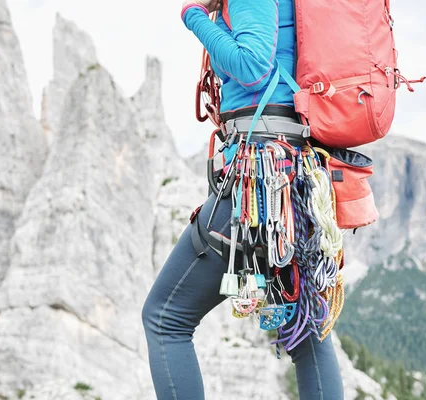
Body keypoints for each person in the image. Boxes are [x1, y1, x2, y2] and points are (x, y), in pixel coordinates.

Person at [141, 0, 345, 399]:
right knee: (307, 331)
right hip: (294, 181)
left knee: (165, 318)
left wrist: (193, 16)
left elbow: (251, 66)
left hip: (257, 180)